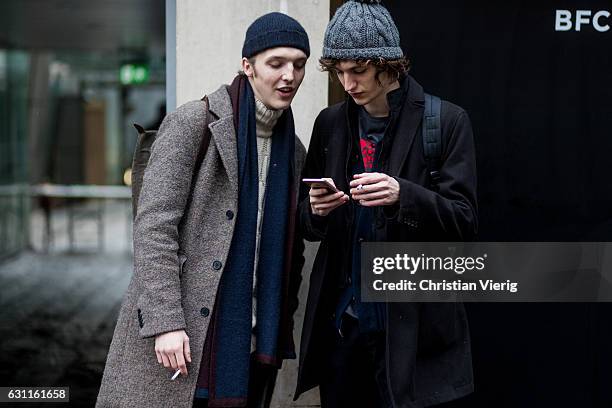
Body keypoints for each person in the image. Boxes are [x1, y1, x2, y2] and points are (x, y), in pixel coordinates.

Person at [97, 12, 310, 408]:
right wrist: (166, 324)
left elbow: (288, 248)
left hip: (251, 341)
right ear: (247, 66)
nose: (289, 76)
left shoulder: (293, 151)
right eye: (276, 63)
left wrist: (279, 318)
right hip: (185, 335)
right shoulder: (194, 123)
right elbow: (154, 228)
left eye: (299, 64)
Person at [294, 1, 478, 407]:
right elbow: (306, 222)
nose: (348, 83)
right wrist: (316, 211)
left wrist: (403, 196)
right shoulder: (330, 123)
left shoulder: (445, 121)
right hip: (344, 329)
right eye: (339, 72)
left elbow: (464, 221)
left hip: (414, 335)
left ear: (388, 63)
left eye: (357, 71)